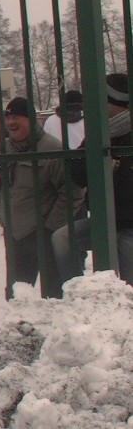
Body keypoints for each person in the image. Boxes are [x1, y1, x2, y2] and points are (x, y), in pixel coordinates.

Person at [0, 97, 84, 299]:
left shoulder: (52, 149)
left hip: (45, 234)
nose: (11, 123)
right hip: (14, 234)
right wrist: (2, 216)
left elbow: (72, 192)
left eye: (17, 117)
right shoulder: (2, 150)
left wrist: (50, 226)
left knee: (52, 294)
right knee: (17, 295)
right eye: (8, 118)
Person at [57, 74, 133, 286]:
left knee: (129, 286)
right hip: (102, 220)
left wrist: (114, 170)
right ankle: (77, 293)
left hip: (129, 224)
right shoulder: (98, 133)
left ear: (114, 101)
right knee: (63, 239)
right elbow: (77, 174)